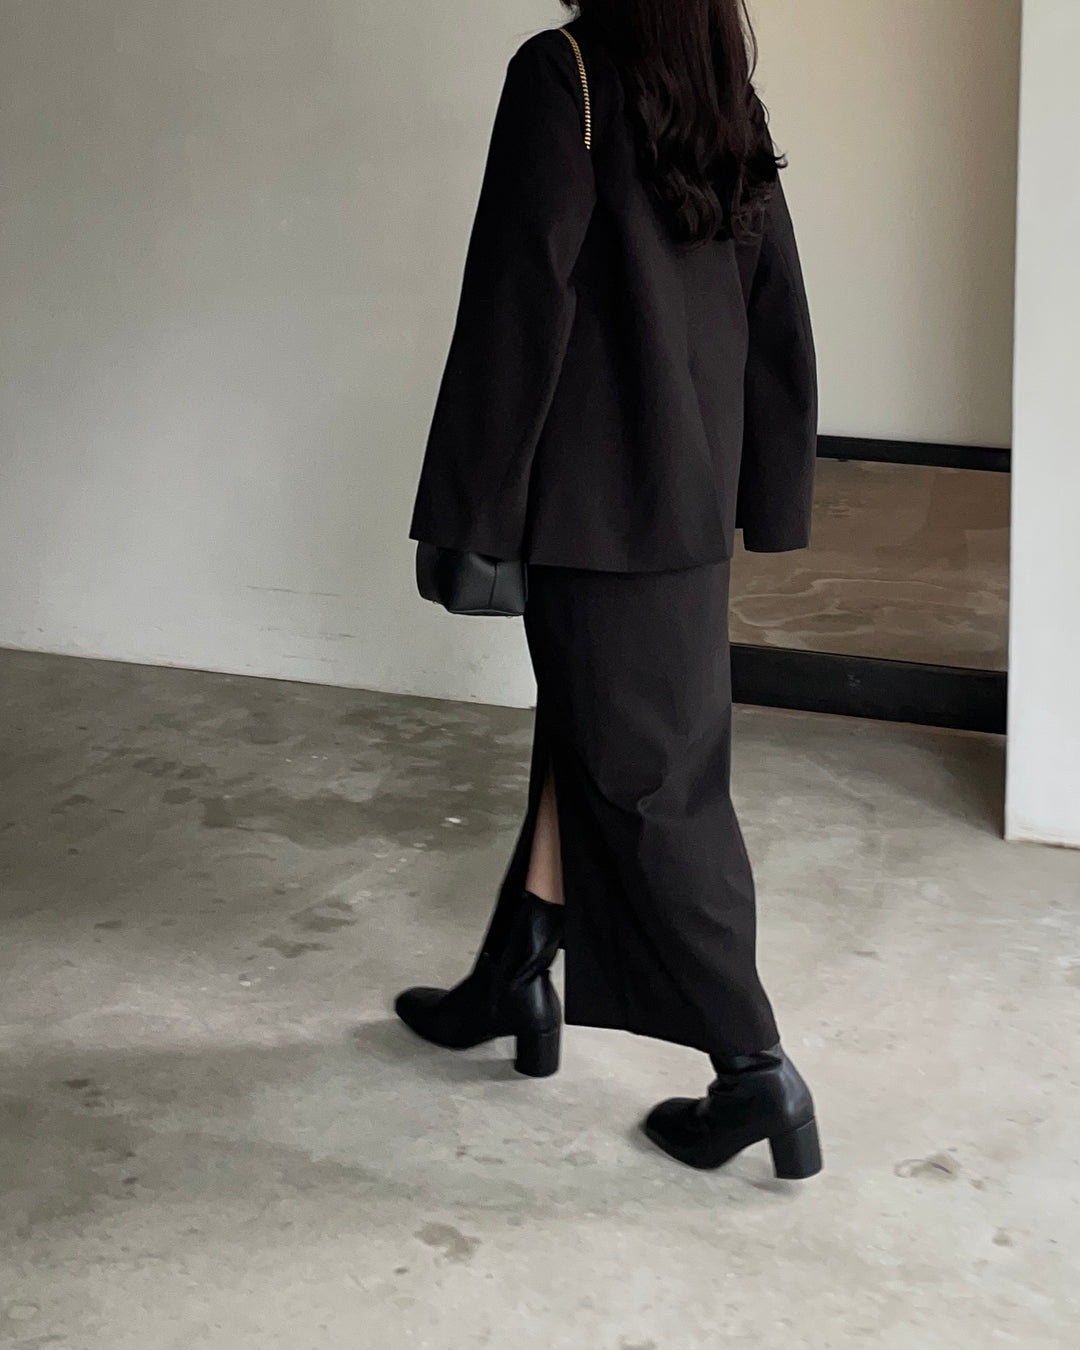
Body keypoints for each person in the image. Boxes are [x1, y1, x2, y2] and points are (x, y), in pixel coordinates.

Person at [397, 0, 821, 1179]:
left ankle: (756, 1072)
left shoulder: (564, 73)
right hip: (686, 492)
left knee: (654, 785)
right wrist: (770, 480)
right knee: (593, 736)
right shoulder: (717, 87)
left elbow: (518, 298)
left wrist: (472, 504)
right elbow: (774, 292)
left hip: (596, 500)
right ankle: (515, 975)